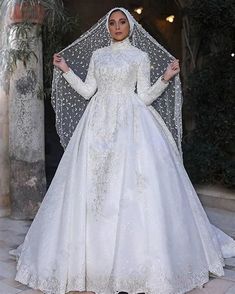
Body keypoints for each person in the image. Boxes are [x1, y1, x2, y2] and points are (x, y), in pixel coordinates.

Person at [13, 7, 235, 294]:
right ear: (107, 28)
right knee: (92, 190)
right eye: (112, 23)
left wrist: (166, 77)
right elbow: (87, 90)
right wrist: (66, 70)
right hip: (96, 125)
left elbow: (144, 96)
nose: (117, 27)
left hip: (132, 123)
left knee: (134, 188)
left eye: (121, 22)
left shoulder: (139, 57)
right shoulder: (98, 56)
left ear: (130, 25)